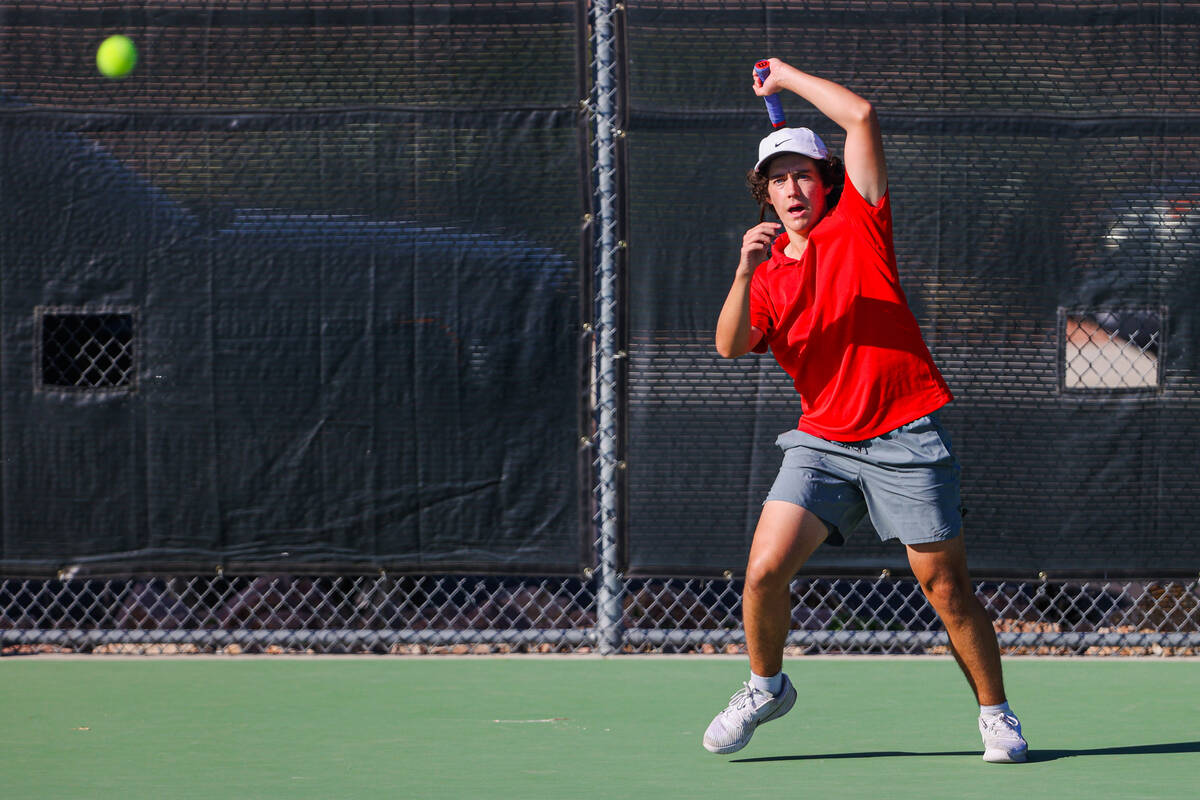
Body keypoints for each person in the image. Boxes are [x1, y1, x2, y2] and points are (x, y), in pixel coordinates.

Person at [702, 58, 1028, 764]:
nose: (793, 189)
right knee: (762, 572)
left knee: (947, 587)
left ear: (827, 184)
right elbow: (731, 347)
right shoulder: (767, 277)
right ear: (765, 192)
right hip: (821, 443)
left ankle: (996, 713)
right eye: (779, 178)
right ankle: (765, 687)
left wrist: (784, 76)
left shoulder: (861, 221)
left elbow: (861, 117)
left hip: (905, 432)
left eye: (805, 175)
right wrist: (741, 270)